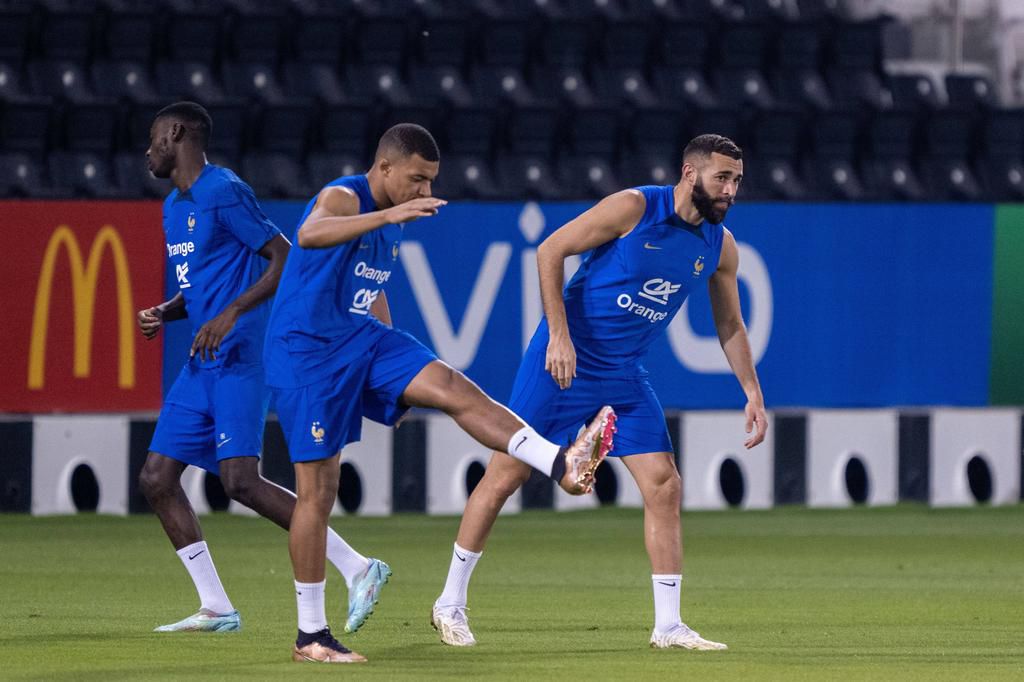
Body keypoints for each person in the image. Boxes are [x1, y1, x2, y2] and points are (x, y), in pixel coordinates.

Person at [264, 123, 618, 664]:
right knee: (317, 493)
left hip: (362, 340)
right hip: (306, 356)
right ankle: (310, 636)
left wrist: (390, 381)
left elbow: (371, 288)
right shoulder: (344, 196)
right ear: (384, 168)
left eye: (431, 182)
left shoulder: (394, 217)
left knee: (451, 386)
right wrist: (388, 213)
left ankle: (561, 463)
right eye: (418, 180)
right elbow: (310, 234)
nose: (425, 193)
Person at [431, 134, 768, 651]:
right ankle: (449, 603)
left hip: (624, 373)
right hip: (563, 363)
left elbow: (730, 322)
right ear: (688, 173)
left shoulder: (720, 246)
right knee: (505, 475)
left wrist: (752, 391)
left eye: (737, 180)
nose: (730, 190)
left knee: (664, 484)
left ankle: (668, 626)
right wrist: (558, 336)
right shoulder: (634, 207)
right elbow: (550, 250)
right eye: (722, 177)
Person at [138, 102, 390, 636]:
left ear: (177, 134)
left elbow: (284, 254)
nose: (148, 151)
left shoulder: (224, 191)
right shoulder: (172, 208)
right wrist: (168, 309)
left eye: (155, 139)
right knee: (157, 479)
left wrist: (231, 313)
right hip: (201, 362)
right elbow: (203, 284)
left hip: (239, 358)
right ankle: (216, 607)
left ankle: (358, 566)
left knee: (240, 481)